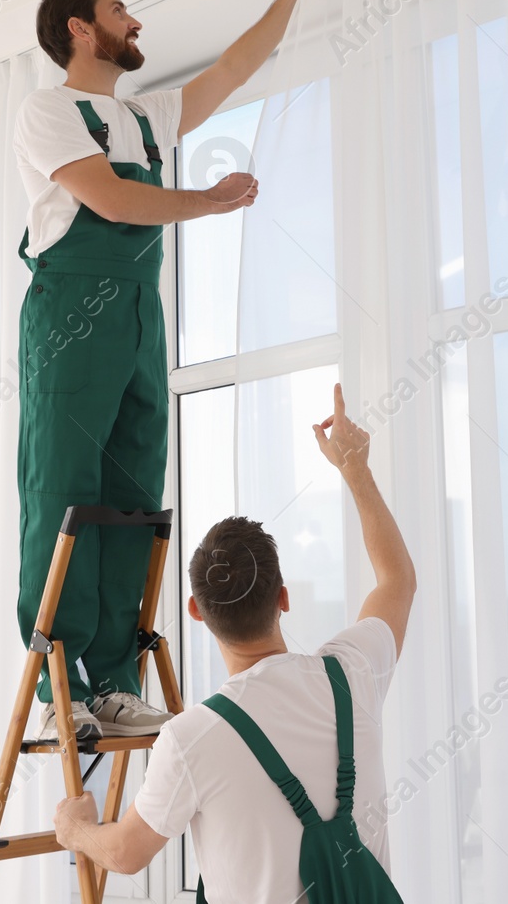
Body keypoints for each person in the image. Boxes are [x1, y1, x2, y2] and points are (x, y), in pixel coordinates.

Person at [13, 0, 311, 740]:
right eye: (118, 9)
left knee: (132, 498)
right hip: (73, 312)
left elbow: (236, 67)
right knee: (64, 496)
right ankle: (61, 681)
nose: (134, 20)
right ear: (80, 28)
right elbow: (110, 196)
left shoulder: (146, 116)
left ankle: (113, 680)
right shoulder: (49, 111)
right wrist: (206, 203)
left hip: (140, 315)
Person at [53, 383, 416, 903]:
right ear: (284, 598)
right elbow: (396, 581)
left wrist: (74, 829)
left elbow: (125, 854)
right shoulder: (353, 673)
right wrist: (355, 468)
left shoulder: (190, 738)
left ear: (196, 611)